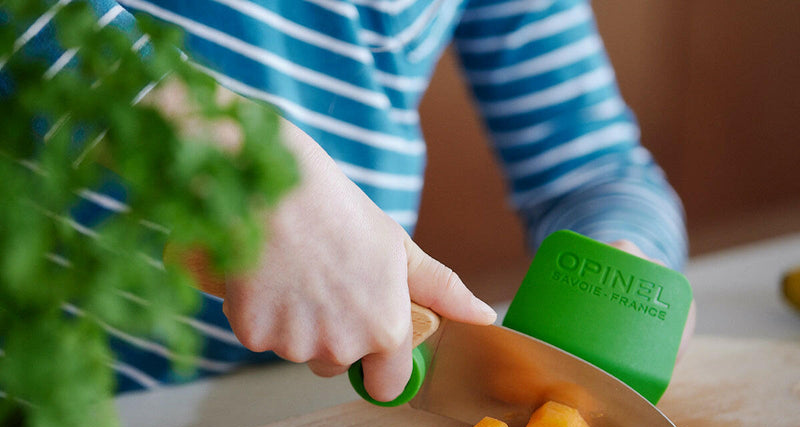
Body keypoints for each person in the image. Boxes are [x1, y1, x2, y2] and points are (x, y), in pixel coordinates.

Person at [23, 0, 692, 398]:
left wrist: (626, 262)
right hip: (40, 419)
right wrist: (231, 157)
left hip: (283, 426)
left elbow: (595, 171)